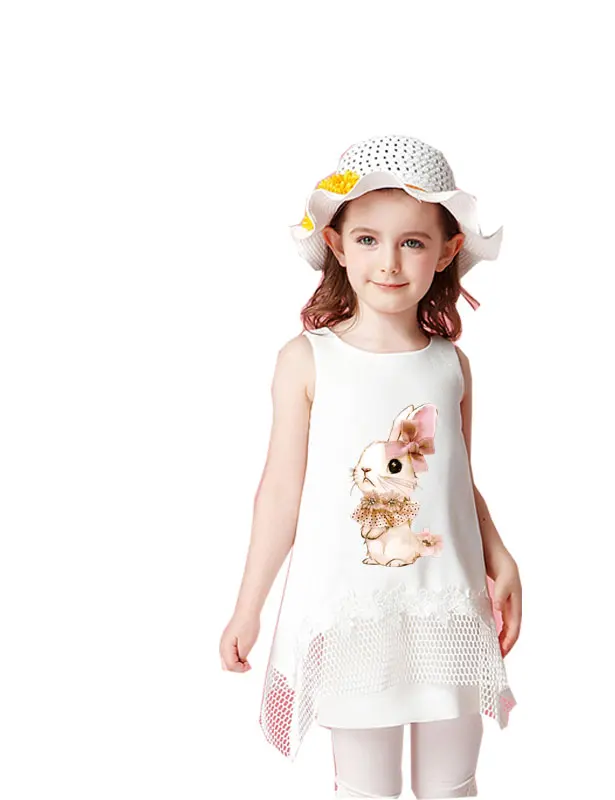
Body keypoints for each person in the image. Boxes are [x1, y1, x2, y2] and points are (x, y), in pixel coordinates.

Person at [219, 134, 522, 798]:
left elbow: (457, 482)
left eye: (412, 242)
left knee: (452, 784)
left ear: (446, 251)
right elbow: (281, 492)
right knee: (364, 787)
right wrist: (249, 607)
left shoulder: (450, 365)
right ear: (336, 244)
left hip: (445, 610)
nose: (388, 262)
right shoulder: (308, 360)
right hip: (353, 617)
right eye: (367, 239)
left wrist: (501, 556)